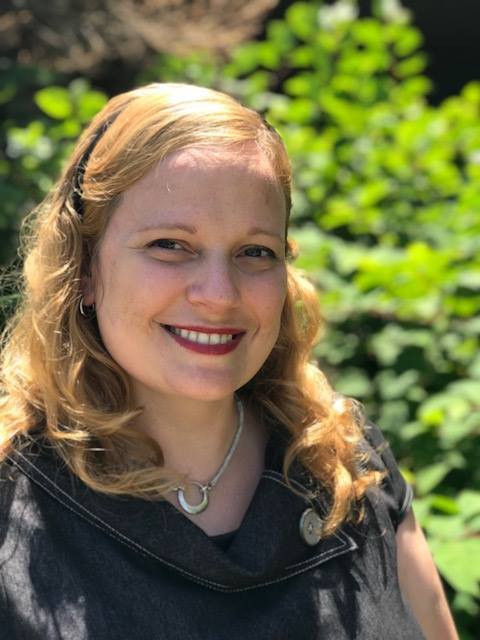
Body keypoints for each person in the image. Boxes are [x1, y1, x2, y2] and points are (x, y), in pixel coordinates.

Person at [0, 83, 458, 640]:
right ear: (83, 269)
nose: (219, 294)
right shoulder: (10, 500)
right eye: (170, 245)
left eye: (255, 252)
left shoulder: (348, 462)